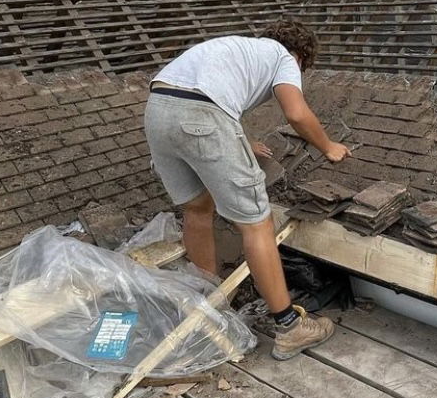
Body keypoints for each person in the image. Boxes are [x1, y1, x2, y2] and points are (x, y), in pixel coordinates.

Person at [144, 19, 351, 359]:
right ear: (301, 57)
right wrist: (328, 146)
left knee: (197, 209)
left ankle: (209, 309)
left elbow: (209, 94)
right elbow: (296, 113)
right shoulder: (284, 57)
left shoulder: (235, 47)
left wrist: (240, 139)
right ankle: (290, 327)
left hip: (158, 111)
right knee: (256, 223)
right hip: (202, 117)